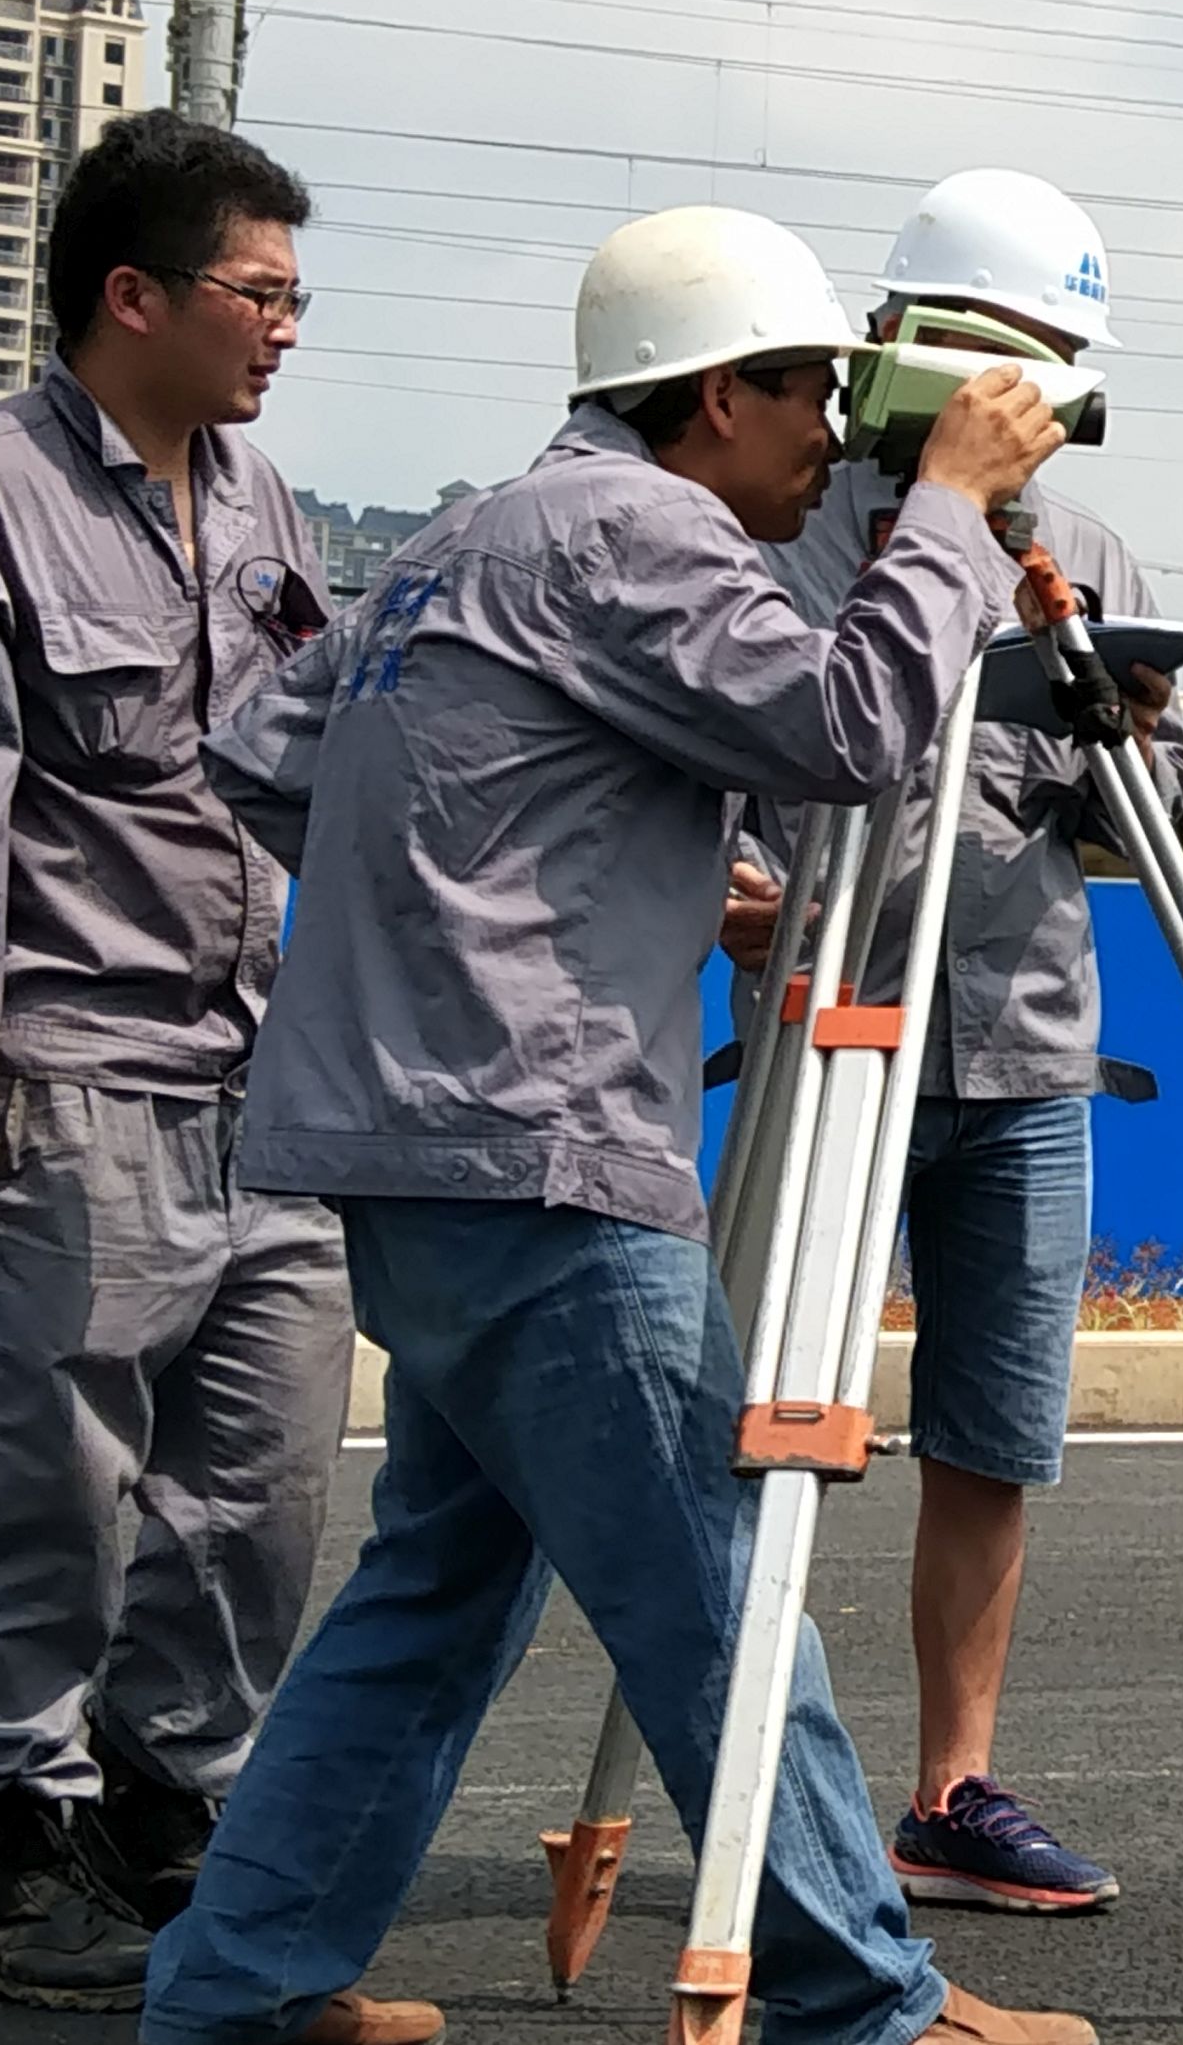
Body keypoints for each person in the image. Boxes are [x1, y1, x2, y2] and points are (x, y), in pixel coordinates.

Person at [143, 204, 1095, 2045]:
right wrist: (949, 509)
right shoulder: (638, 529)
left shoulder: (469, 532)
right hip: (545, 1151)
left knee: (438, 1582)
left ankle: (242, 1979)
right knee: (719, 1585)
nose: (831, 436)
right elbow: (848, 724)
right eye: (811, 394)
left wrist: (550, 862)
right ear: (716, 394)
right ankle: (861, 1997)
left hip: (408, 1140)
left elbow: (268, 754)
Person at [0, 111, 372, 2022]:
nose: (286, 326)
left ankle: (161, 1811)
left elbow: (317, 765)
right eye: (260, 291)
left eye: (297, 295)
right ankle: (14, 1846)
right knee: (44, 1485)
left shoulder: (268, 504)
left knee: (260, 1489)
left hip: (269, 1078)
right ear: (132, 295)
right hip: (73, 1063)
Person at [719, 167, 1183, 1919]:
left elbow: (1143, 820)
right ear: (907, 345)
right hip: (833, 1032)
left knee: (995, 1431)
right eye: (1010, 354)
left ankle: (951, 1790)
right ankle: (745, 1782)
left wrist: (1131, 730)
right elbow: (682, 764)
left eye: (1057, 363)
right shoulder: (781, 524)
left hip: (1026, 1044)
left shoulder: (1088, 555)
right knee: (769, 1425)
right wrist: (722, 891)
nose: (1032, 394)